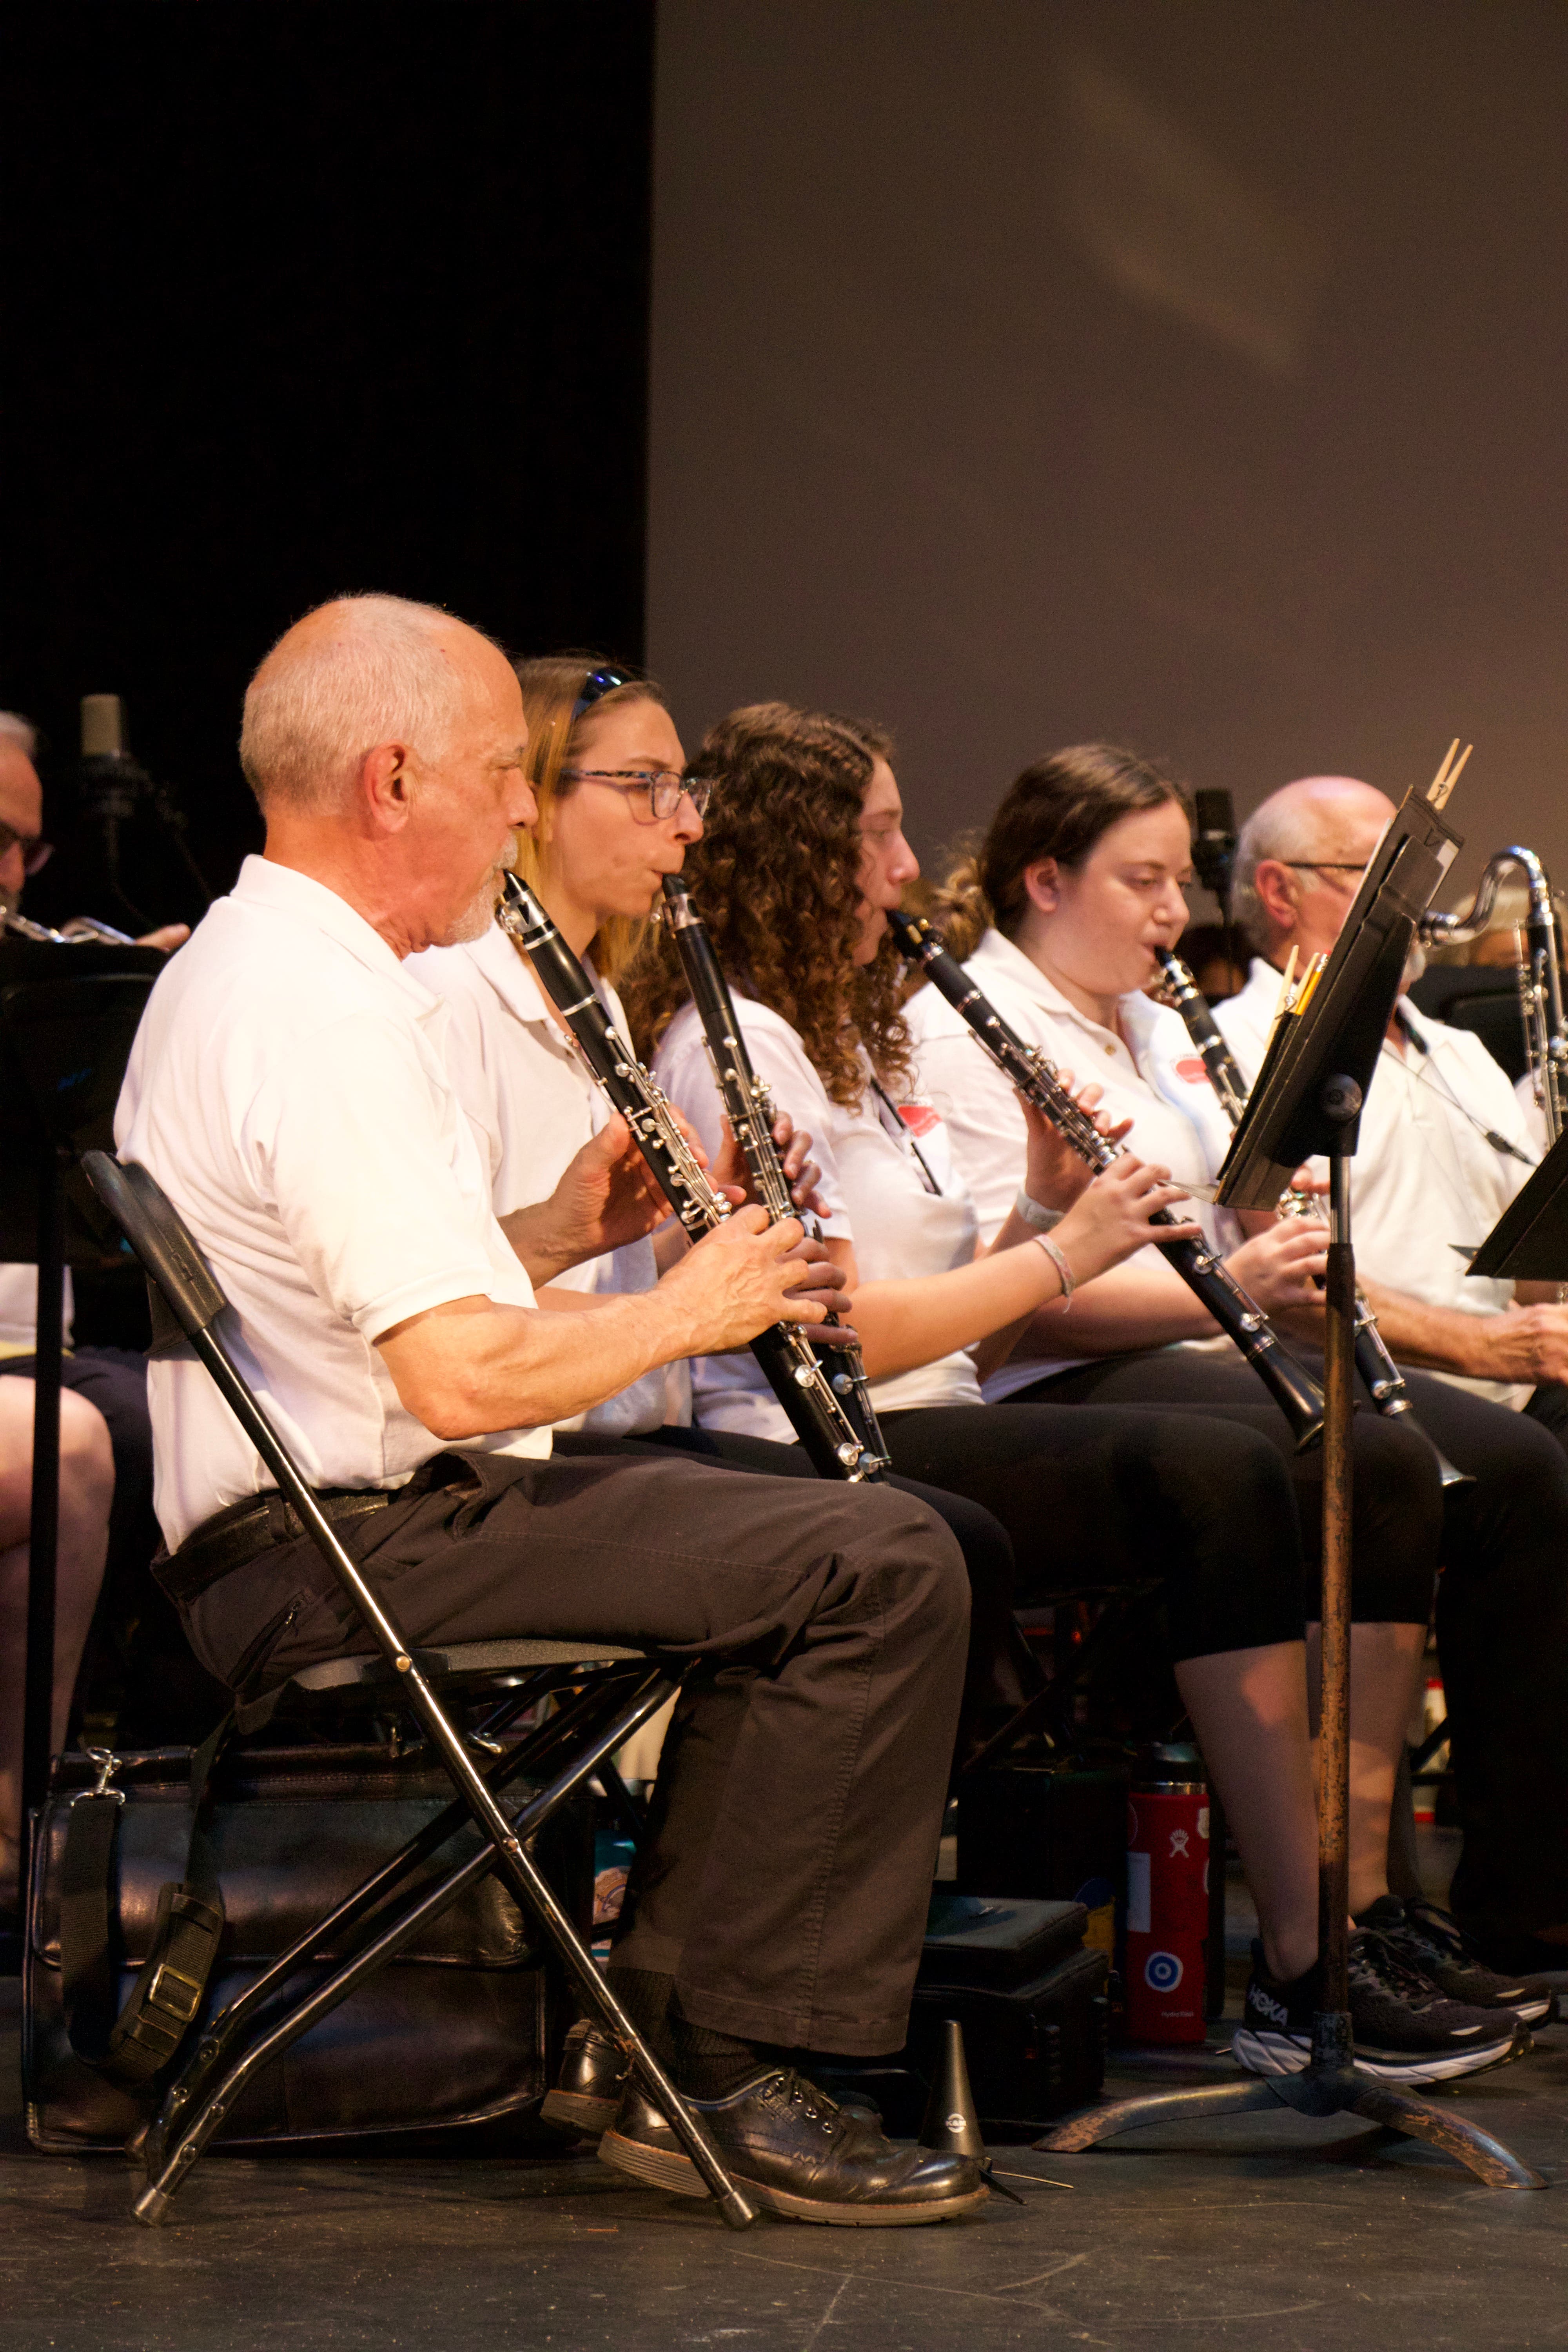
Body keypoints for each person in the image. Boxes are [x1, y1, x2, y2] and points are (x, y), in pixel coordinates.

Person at [114, 593, 1018, 2229]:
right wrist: (697, 1306)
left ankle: (679, 2045)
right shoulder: (315, 1015)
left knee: (859, 1545)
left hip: (352, 1517)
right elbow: (455, 1376)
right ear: (392, 783)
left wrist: (561, 1238)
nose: (522, 809)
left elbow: (380, 1307)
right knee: (874, 1567)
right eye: (496, 776)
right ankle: (727, 2072)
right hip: (341, 1553)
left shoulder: (287, 972)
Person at [625, 702, 1532, 2082]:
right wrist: (1063, 1248)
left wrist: (1043, 1208)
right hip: (817, 1438)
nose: (901, 874)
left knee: (1357, 1456)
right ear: (801, 856)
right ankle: (1303, 1959)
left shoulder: (847, 1039)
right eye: (872, 838)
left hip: (948, 1403)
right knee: (1222, 1472)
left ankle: (1351, 1919)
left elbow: (966, 1332)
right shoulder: (734, 1043)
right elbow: (833, 1332)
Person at [912, 741, 1568, 1983]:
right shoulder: (968, 1037)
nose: (1173, 914)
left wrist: (1275, 1236)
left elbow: (1231, 1213)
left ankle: (1380, 1897)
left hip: (1212, 1338)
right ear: (1044, 881)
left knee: (1494, 1460)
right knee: (1373, 1460)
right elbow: (1009, 1301)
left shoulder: (1160, 1031)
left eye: (1175, 884)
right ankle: (1331, 1919)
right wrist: (1227, 1294)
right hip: (1055, 1376)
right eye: (1143, 883)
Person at [410, 656, 1034, 1782]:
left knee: (937, 1538)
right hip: (519, 1453)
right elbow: (454, 1295)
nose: (687, 822)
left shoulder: (592, 992)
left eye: (683, 785)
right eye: (647, 786)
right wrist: (690, 1297)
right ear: (536, 799)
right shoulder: (453, 997)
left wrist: (692, 1233)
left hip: (620, 1418)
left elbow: (574, 1260)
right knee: (919, 1548)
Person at [1219, 776, 1568, 1439]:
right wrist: (1486, 1347)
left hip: (1514, 1391)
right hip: (1370, 1396)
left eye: (1422, 876)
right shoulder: (1239, 1048)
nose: (1420, 903)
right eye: (1384, 873)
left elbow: (1528, 1285)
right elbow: (1292, 1286)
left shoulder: (1460, 1049)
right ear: (1278, 890)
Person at [0, 710, 181, 1932]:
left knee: (203, 1413)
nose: (6, 876)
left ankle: (153, 1837)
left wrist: (149, 1001)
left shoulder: (37, 978)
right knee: (81, 1446)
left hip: (30, 1348)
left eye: (22, 850)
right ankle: (28, 1838)